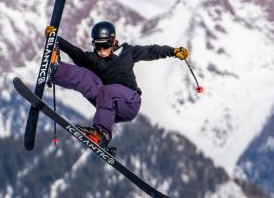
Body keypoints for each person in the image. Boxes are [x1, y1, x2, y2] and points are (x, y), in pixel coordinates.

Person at [47, 20, 188, 148]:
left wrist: (173, 51)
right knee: (86, 78)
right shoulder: (95, 59)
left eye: (105, 45)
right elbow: (78, 55)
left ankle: (102, 134)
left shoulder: (128, 52)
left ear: (113, 41)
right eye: (98, 45)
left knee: (107, 91)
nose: (102, 50)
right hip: (110, 107)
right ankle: (56, 70)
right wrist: (56, 40)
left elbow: (151, 51)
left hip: (130, 102)